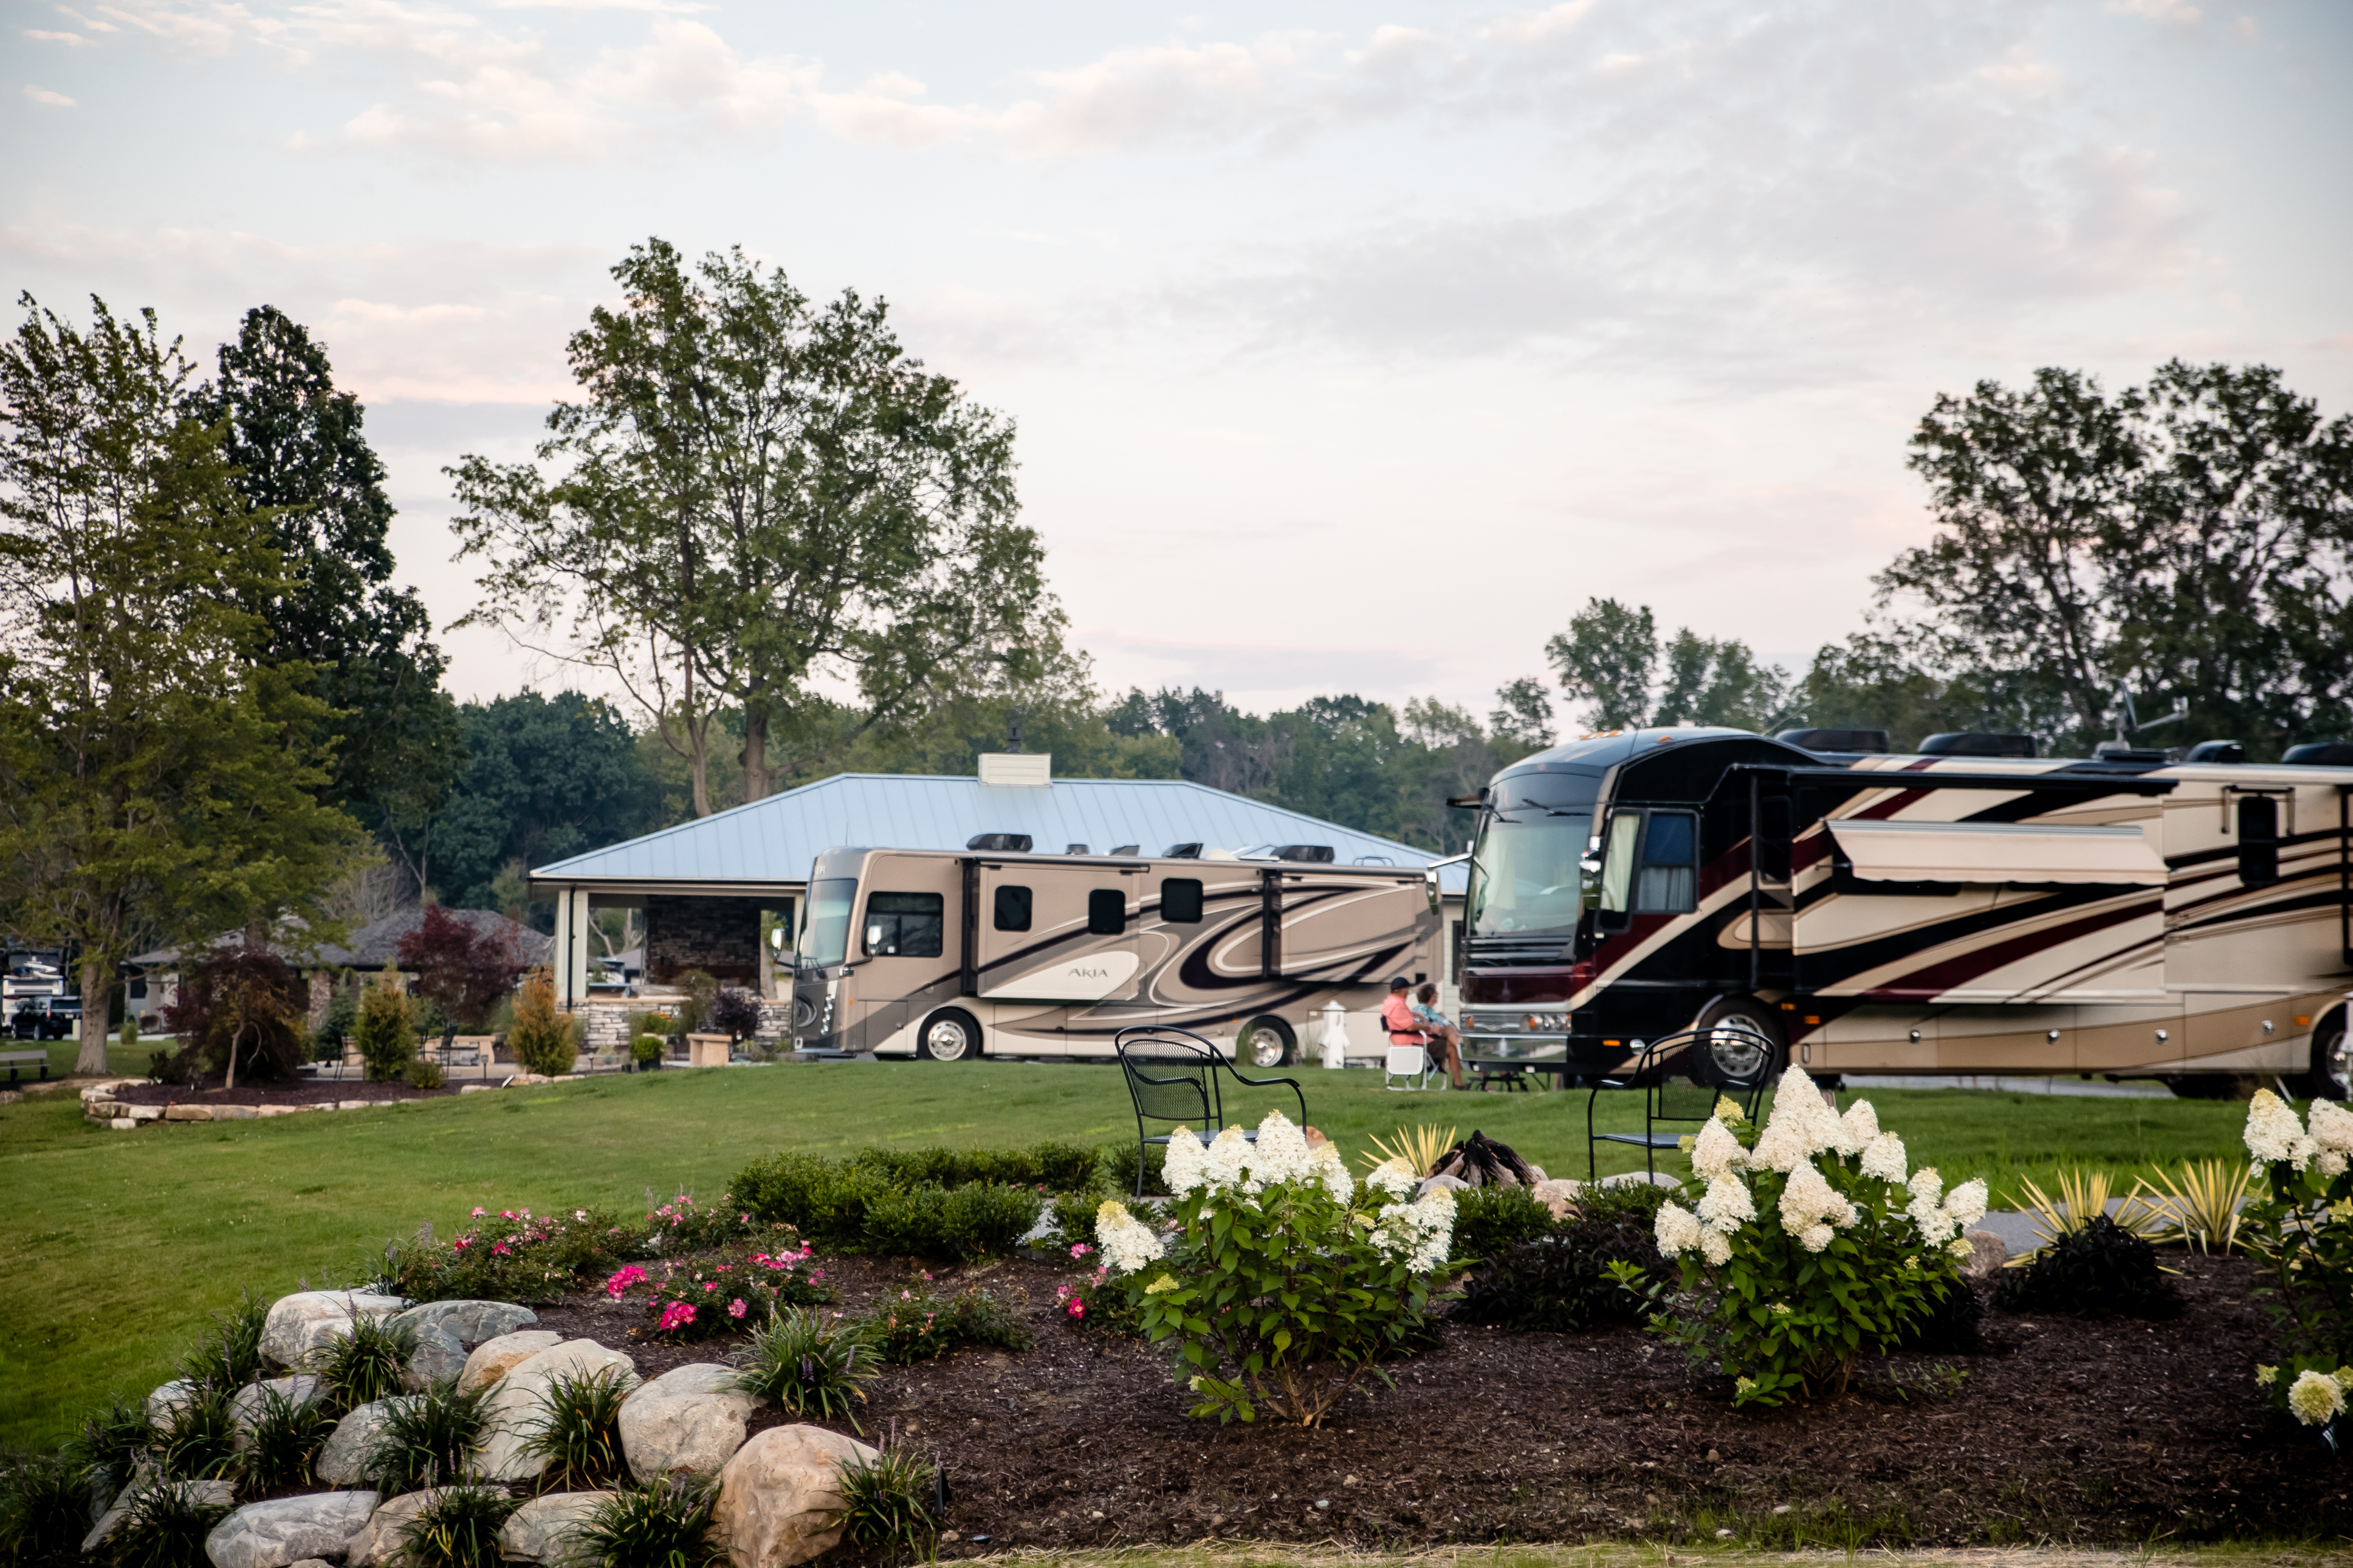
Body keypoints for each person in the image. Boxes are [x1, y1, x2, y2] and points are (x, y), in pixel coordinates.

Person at [1381, 975, 1463, 1090]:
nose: (1408, 993)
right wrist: (1430, 1028)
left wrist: (1414, 1015)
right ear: (1403, 990)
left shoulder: (1390, 1002)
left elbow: (1402, 1021)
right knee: (1450, 1047)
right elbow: (1410, 1026)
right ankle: (1459, 1084)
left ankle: (1459, 1077)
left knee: (1448, 1036)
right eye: (1408, 991)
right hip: (1412, 1042)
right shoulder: (1397, 1004)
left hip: (1401, 1039)